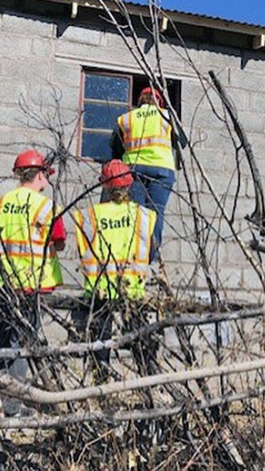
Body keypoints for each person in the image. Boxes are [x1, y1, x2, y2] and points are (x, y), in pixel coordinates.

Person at [0, 149, 65, 415]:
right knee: (20, 344)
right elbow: (60, 242)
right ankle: (12, 406)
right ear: (39, 175)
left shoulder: (0, 202)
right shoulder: (46, 206)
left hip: (1, 283)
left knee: (1, 342)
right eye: (46, 175)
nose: (47, 181)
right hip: (31, 284)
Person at [73, 160, 157, 378]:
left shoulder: (89, 216)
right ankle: (151, 384)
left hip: (100, 290)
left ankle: (101, 384)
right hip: (132, 289)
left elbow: (82, 251)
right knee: (141, 342)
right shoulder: (145, 216)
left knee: (100, 343)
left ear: (104, 186)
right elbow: (149, 251)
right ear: (129, 185)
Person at [111, 86, 184, 261]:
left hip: (133, 170)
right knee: (155, 213)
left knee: (137, 214)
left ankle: (135, 255)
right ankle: (151, 257)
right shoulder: (167, 116)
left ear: (139, 101)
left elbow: (115, 146)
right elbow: (183, 141)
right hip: (162, 170)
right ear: (159, 101)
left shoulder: (127, 118)